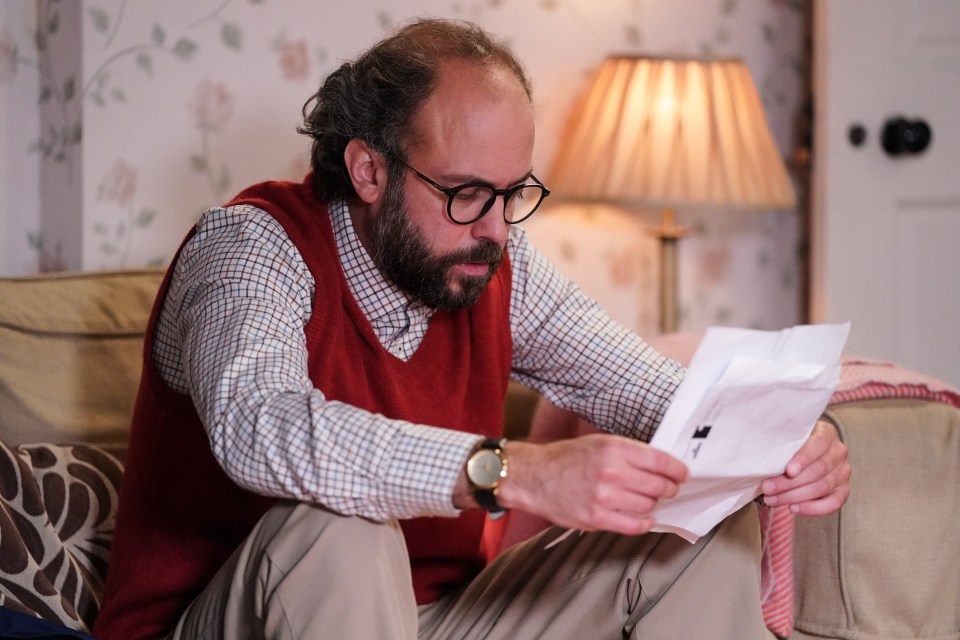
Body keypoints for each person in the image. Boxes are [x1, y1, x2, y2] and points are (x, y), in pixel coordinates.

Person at [93, 17, 850, 640]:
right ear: (368, 170)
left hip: (436, 622)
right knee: (344, 527)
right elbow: (260, 426)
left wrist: (782, 440)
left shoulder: (488, 257)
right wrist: (514, 471)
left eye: (512, 193)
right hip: (228, 620)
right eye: (464, 193)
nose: (494, 227)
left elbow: (649, 387)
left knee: (702, 537)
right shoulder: (249, 249)